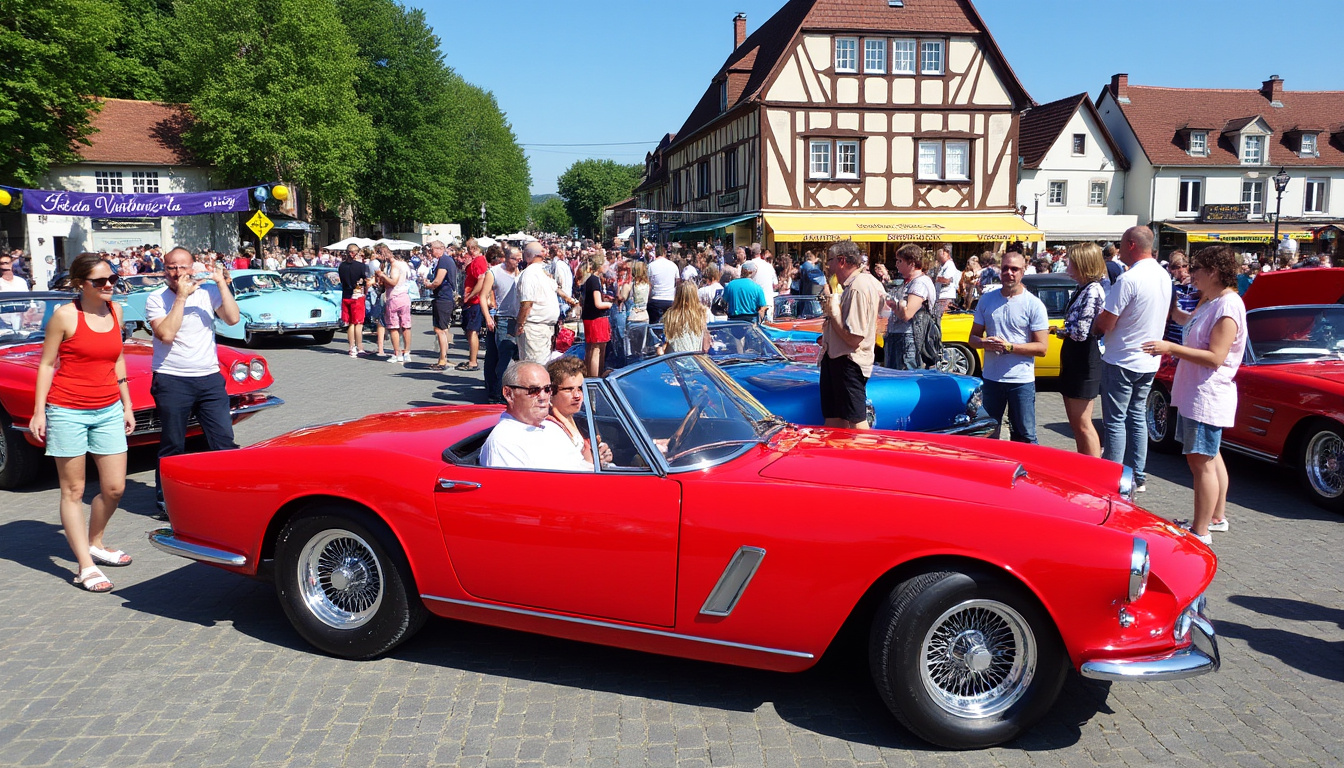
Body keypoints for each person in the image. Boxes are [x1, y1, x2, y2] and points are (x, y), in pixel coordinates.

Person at [29, 253, 135, 592]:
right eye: (99, 282)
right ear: (80, 284)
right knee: (73, 491)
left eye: (112, 280)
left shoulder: (115, 311)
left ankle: (96, 542)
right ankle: (84, 566)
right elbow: (47, 365)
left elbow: (117, 357)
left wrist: (127, 405)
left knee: (115, 488)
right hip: (67, 409)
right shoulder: (64, 316)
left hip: (107, 410)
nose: (108, 286)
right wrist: (39, 411)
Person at [1141, 245, 1246, 544]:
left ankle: (1201, 531)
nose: (1190, 274)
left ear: (1213, 272)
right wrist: (1172, 309)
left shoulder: (1228, 305)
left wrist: (1170, 348)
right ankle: (1215, 517)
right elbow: (1188, 323)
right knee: (1210, 458)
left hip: (1207, 394)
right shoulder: (1211, 300)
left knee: (1201, 462)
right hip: (1196, 391)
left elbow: (1216, 357)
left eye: (1196, 268)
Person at [144, 247, 242, 513]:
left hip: (209, 378)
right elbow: (166, 334)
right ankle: (167, 500)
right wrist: (182, 299)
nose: (177, 273)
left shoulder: (208, 293)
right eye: (172, 268)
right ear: (165, 270)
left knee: (223, 440)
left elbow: (233, 319)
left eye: (182, 267)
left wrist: (221, 283)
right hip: (172, 379)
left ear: (193, 267)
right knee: (174, 443)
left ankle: (230, 493)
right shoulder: (156, 298)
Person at [1094, 226, 1171, 492]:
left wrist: (1094, 324)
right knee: (1136, 416)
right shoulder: (1163, 276)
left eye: (1120, 243)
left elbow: (1107, 322)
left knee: (1115, 420)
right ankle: (1138, 475)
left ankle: (1112, 476)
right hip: (1149, 358)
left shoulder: (1129, 279)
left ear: (1130, 245)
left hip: (1122, 358)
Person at [969, 251, 1050, 443]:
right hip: (991, 378)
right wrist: (983, 343)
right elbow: (973, 338)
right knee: (988, 433)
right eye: (1005, 268)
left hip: (1020, 380)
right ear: (999, 271)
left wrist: (1010, 347)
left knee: (1025, 435)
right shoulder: (987, 300)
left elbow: (1042, 348)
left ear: (1023, 271)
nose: (1009, 273)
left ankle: (1028, 470)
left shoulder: (1034, 304)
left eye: (1014, 269)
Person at [479, 361, 599, 471]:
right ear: (509, 394)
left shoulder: (552, 427)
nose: (543, 396)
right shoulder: (504, 442)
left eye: (547, 389)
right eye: (533, 390)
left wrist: (597, 458)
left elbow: (581, 467)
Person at [818, 240, 884, 430]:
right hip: (838, 359)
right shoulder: (855, 285)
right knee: (835, 419)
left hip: (848, 361)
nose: (827, 266)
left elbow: (853, 338)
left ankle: (862, 457)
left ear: (841, 260)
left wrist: (833, 312)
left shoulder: (858, 286)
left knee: (856, 421)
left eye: (829, 260)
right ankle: (841, 457)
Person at [1052, 243, 1108, 456]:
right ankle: (1084, 463)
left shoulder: (1093, 290)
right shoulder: (1082, 288)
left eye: (1072, 263)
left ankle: (1093, 468)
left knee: (1083, 422)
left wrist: (1062, 331)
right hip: (1076, 356)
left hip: (1084, 357)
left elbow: (1081, 332)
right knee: (1077, 423)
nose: (1068, 267)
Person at [885, 245, 936, 370]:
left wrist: (897, 306)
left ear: (912, 263)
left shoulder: (920, 283)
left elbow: (907, 314)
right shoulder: (908, 282)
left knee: (905, 378)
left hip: (909, 339)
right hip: (898, 336)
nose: (896, 264)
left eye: (900, 261)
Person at [481, 246, 522, 403]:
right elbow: (483, 296)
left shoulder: (521, 272)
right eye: (514, 259)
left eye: (520, 259)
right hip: (503, 318)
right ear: (506, 257)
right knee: (504, 358)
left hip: (518, 318)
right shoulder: (494, 272)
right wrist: (488, 318)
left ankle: (500, 391)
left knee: (514, 356)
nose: (517, 262)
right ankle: (498, 395)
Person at [515, 243, 560, 364]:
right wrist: (520, 324)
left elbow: (527, 302)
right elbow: (526, 302)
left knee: (539, 364)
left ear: (527, 256)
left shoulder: (538, 272)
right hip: (534, 327)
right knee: (535, 366)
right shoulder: (530, 274)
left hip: (541, 328)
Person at [423, 240, 459, 371]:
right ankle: (443, 358)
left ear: (439, 249)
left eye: (432, 249)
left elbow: (438, 280)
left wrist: (428, 285)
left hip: (443, 298)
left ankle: (443, 360)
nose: (431, 252)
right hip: (444, 297)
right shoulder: (445, 260)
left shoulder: (444, 260)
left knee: (440, 329)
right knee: (442, 329)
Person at [376, 246, 412, 364]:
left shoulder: (394, 265)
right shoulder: (404, 264)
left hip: (394, 297)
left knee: (393, 326)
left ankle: (398, 353)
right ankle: (406, 352)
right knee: (406, 325)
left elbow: (393, 282)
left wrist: (382, 276)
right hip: (405, 296)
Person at [579, 252, 612, 377]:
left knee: (591, 348)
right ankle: (595, 378)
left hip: (588, 317)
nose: (606, 266)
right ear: (599, 265)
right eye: (604, 263)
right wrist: (610, 304)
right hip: (596, 318)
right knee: (597, 349)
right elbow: (598, 303)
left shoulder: (588, 279)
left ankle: (589, 376)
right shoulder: (594, 280)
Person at [457, 239, 489, 372]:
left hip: (474, 301)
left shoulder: (479, 261)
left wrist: (470, 296)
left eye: (470, 248)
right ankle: (472, 359)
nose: (468, 251)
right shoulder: (476, 261)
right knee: (470, 331)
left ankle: (473, 361)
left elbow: (481, 281)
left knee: (472, 331)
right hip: (471, 300)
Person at [661, 281, 710, 354]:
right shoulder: (702, 313)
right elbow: (705, 347)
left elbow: (666, 341)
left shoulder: (670, 315)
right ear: (695, 296)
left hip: (674, 359)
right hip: (695, 358)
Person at [338, 244, 368, 357]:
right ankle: (360, 347)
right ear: (354, 252)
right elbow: (364, 281)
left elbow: (341, 280)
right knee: (358, 323)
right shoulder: (360, 266)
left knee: (350, 323)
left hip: (346, 295)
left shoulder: (341, 266)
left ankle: (351, 347)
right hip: (357, 295)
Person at [1164, 252, 1199, 343]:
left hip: (1193, 335)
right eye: (1176, 267)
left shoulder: (1197, 285)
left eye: (1184, 266)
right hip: (1173, 335)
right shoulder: (1168, 285)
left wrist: (1194, 281)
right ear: (1170, 269)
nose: (1181, 270)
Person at [646, 247, 678, 323]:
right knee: (670, 325)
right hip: (670, 299)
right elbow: (678, 282)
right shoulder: (673, 265)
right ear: (664, 253)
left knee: (654, 326)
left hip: (656, 299)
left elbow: (648, 284)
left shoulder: (651, 266)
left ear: (656, 253)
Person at [748, 244, 777, 319]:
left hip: (752, 304)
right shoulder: (769, 266)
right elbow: (775, 284)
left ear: (751, 252)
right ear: (760, 252)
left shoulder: (747, 265)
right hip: (767, 302)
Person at [932, 244, 958, 319]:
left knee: (943, 318)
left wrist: (935, 279)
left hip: (946, 296)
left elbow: (947, 280)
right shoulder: (943, 266)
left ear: (946, 253)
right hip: (941, 296)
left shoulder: (949, 265)